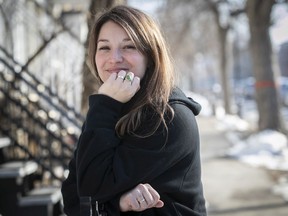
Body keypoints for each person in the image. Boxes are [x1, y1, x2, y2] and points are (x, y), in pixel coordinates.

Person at [61, 5, 207, 216]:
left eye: (129, 46)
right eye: (104, 48)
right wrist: (119, 203)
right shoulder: (109, 107)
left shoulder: (169, 118)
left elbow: (90, 191)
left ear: (150, 56)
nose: (114, 58)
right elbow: (74, 200)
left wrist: (104, 205)